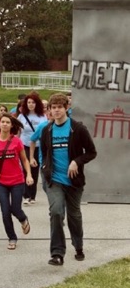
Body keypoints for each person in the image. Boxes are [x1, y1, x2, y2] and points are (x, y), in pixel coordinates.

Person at [39, 93, 97, 266]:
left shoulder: (78, 128)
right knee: (56, 212)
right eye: (53, 107)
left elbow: (92, 152)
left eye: (59, 107)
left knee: (74, 215)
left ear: (66, 108)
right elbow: (44, 152)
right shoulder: (46, 130)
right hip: (54, 180)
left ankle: (78, 246)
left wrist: (76, 161)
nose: (56, 111)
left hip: (74, 181)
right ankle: (57, 253)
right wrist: (44, 168)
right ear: (49, 110)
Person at [0, 113, 32, 250]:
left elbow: (24, 160)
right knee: (5, 210)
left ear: (11, 125)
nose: (5, 124)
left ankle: (23, 219)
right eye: (3, 122)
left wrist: (29, 175)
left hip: (17, 180)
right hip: (1, 182)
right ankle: (12, 237)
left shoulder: (17, 141)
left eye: (8, 122)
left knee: (15, 209)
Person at [17, 91, 47, 205]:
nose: (30, 104)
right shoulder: (22, 116)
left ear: (37, 104)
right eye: (28, 102)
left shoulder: (42, 116)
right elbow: (18, 132)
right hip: (25, 144)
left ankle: (32, 195)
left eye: (33, 102)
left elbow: (44, 131)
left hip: (38, 146)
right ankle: (26, 195)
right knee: (25, 169)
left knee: (35, 169)